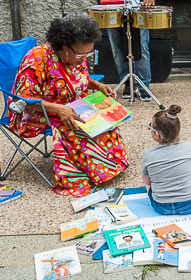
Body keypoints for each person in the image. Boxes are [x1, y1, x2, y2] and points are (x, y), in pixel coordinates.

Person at [9, 13, 129, 196]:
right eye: (81, 54)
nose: (84, 58)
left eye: (88, 53)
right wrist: (58, 109)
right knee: (76, 127)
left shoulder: (72, 57)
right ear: (65, 47)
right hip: (36, 111)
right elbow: (22, 99)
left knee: (104, 123)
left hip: (69, 105)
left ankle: (106, 166)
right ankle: (82, 172)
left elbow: (77, 78)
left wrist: (97, 85)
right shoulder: (37, 58)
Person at [141, 105, 191, 215]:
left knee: (149, 185)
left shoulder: (148, 154)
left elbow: (147, 182)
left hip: (161, 206)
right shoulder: (188, 146)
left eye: (150, 127)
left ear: (157, 135)